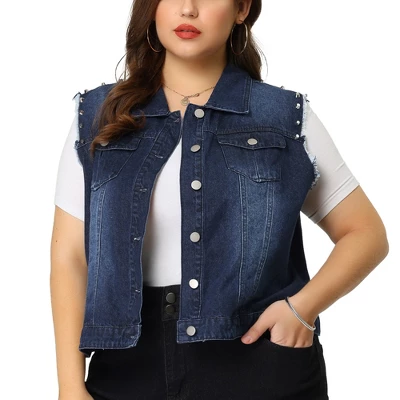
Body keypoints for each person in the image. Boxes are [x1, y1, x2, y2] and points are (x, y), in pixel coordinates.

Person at [50, 0, 389, 399]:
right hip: (126, 370)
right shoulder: (99, 116)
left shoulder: (283, 117)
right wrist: (70, 386)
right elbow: (69, 257)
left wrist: (302, 308)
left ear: (241, 9)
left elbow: (366, 233)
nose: (188, 9)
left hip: (258, 361)